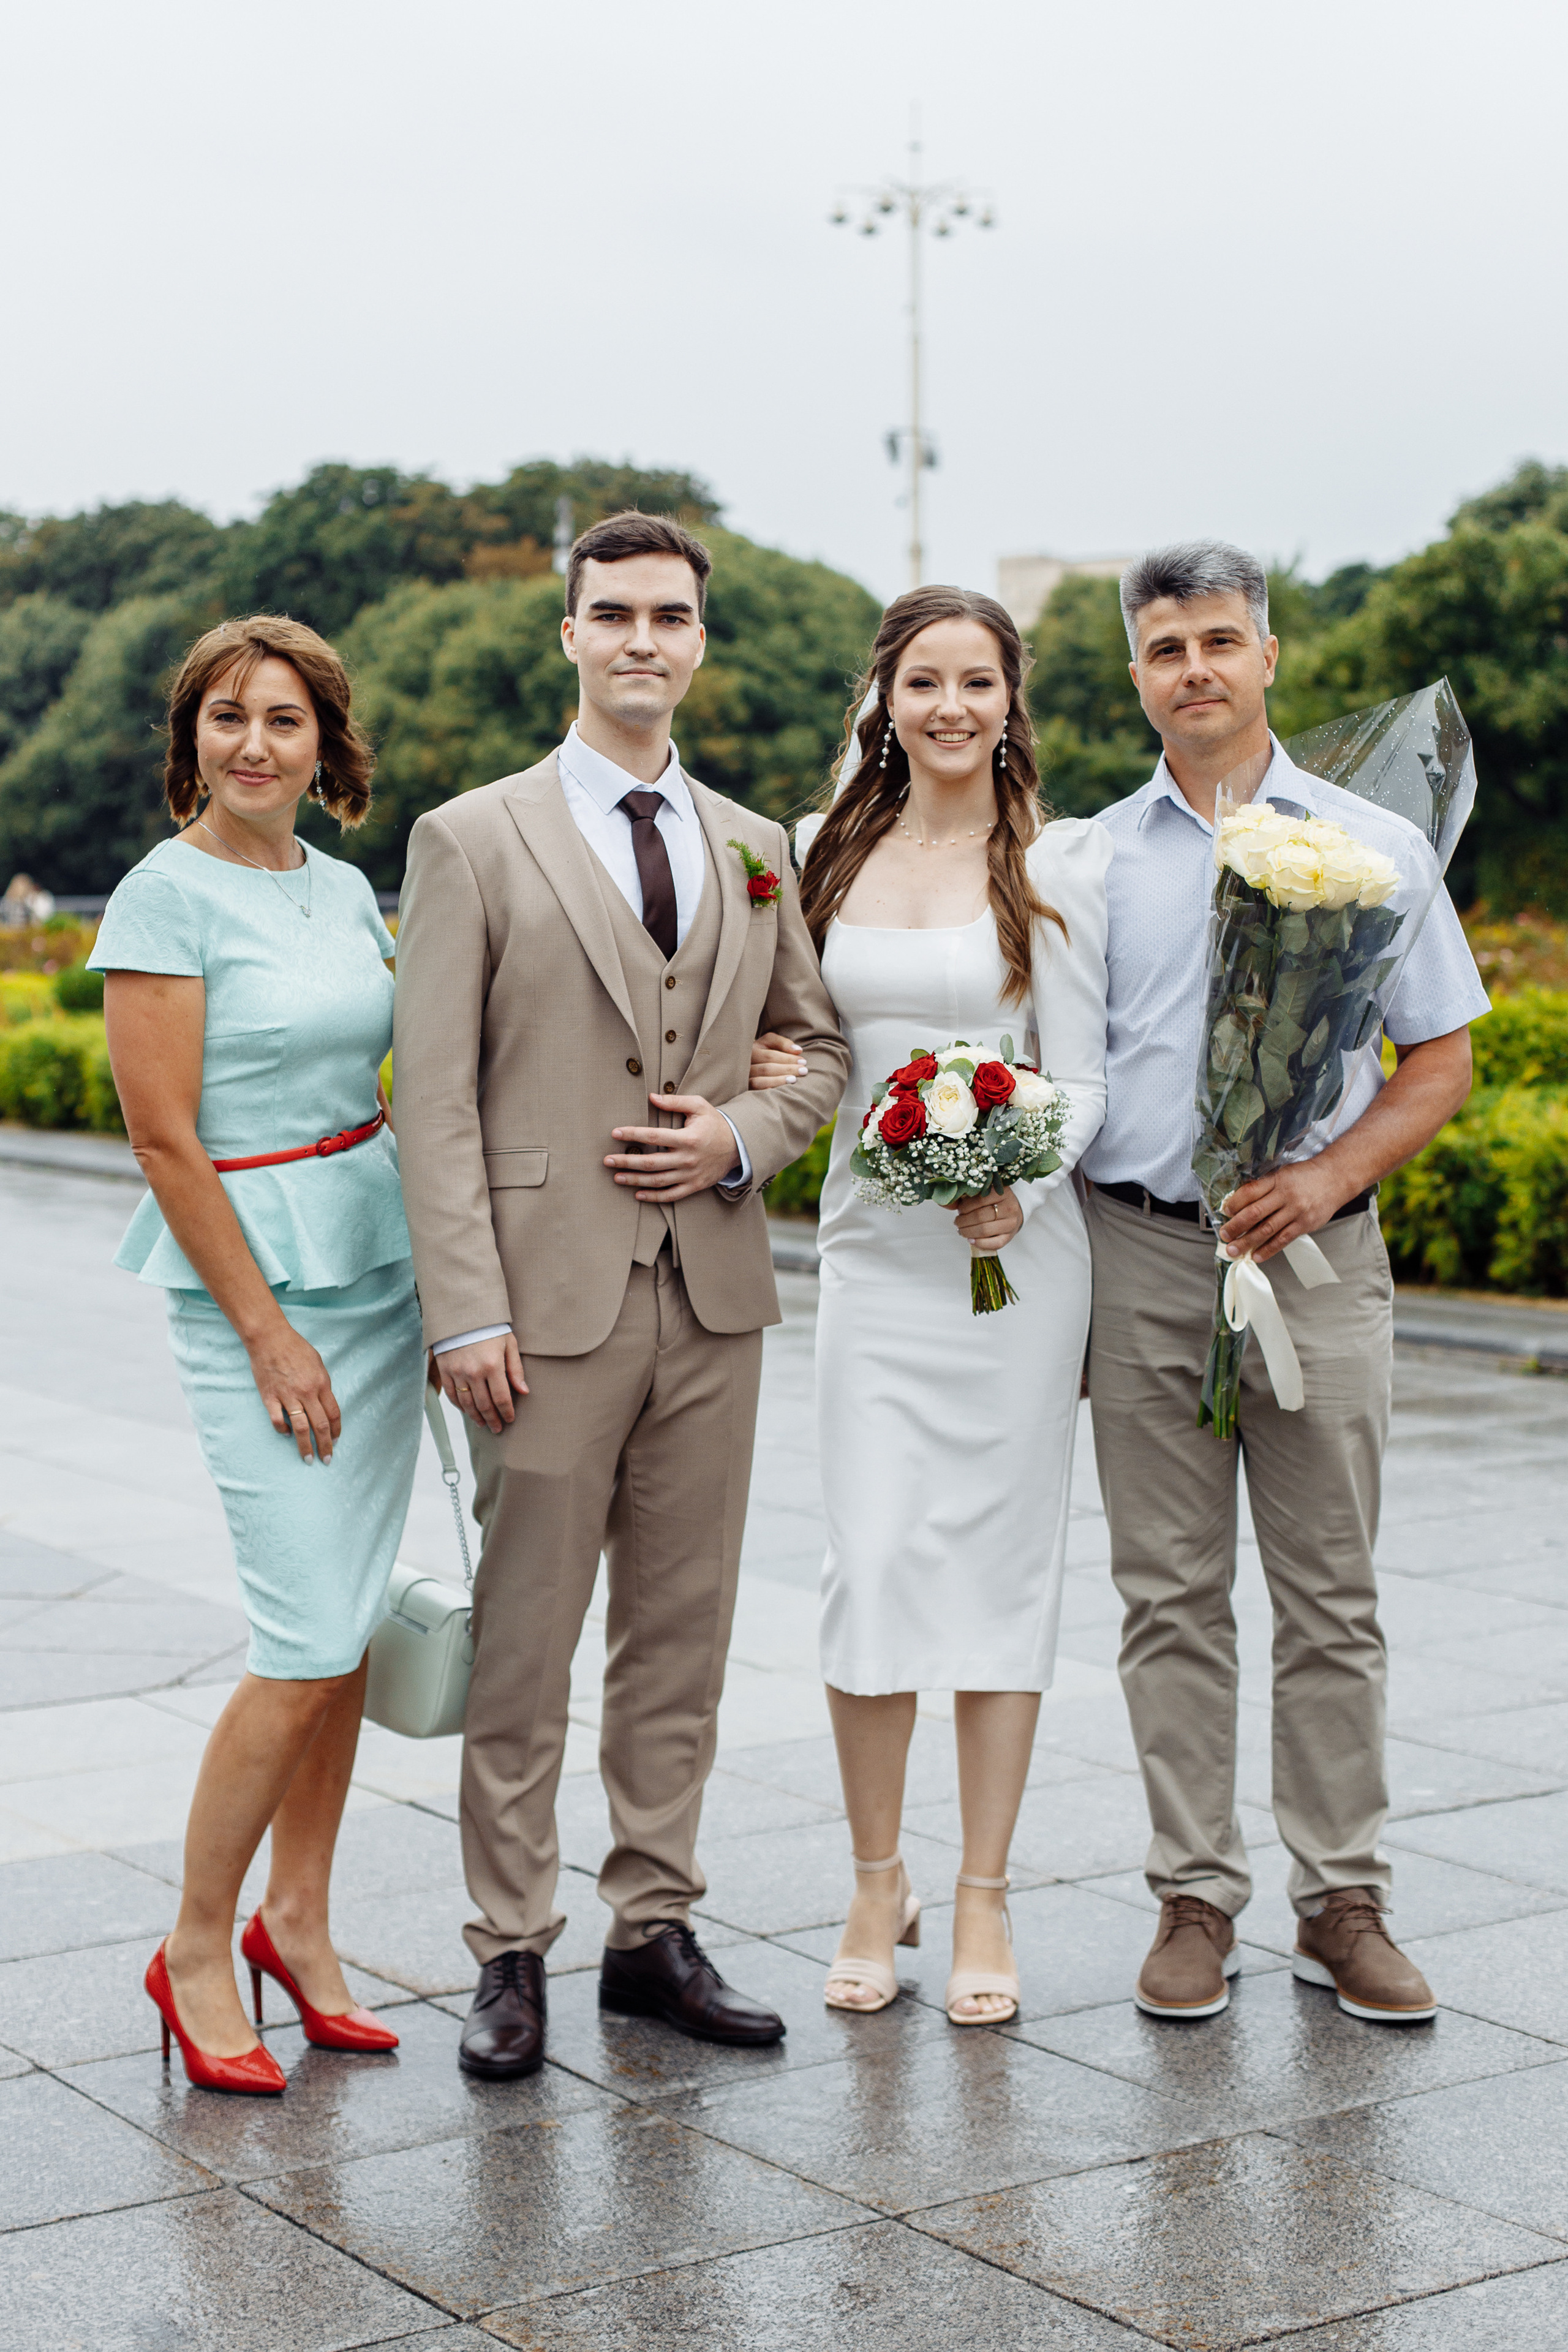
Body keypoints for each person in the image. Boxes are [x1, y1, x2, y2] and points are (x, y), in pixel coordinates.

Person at [393, 510, 850, 2079]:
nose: (642, 639)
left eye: (668, 615)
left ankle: (650, 1929)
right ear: (569, 635)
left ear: (697, 641)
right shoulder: (471, 837)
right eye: (614, 615)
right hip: (538, 1306)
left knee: (681, 1633)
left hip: (711, 1301)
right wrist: (464, 1307)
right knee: (524, 1641)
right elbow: (434, 1098)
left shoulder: (754, 846)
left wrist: (743, 1134)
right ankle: (506, 1945)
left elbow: (820, 1052)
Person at [1082, 541, 1487, 2023]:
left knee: (1330, 1592)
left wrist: (1323, 1176)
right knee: (1165, 1597)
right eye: (1164, 645)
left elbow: (1437, 1059)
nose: (1193, 667)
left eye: (1218, 640)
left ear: (1267, 656)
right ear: (1134, 674)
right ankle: (1193, 1897)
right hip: (1136, 1247)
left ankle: (1342, 1897)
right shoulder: (1090, 857)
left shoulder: (1375, 839)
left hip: (1314, 1249)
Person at [753, 587, 1109, 2026]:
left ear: (1011, 701)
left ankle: (982, 1894)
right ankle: (871, 1876)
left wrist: (1015, 1175)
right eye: (922, 683)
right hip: (872, 1254)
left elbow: (1080, 1077)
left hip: (1012, 1261)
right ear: (883, 700)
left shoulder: (1058, 871)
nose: (949, 707)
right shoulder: (811, 852)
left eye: (976, 682)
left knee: (1000, 1572)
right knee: (873, 1560)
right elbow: (790, 1034)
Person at [92, 616, 424, 2094]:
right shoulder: (164, 900)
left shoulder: (346, 890)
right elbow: (165, 1139)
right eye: (226, 717)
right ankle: (193, 1942)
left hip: (378, 1266)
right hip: (258, 1291)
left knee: (346, 1634)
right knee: (299, 1642)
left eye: (282, 719)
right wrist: (267, 1330)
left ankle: (302, 1917)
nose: (252, 744)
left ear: (323, 743)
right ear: (193, 739)